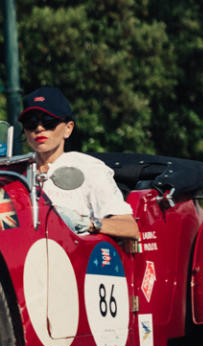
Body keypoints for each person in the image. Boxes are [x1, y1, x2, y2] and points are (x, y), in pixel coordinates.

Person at [19, 87, 140, 240]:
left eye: (49, 121)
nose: (39, 128)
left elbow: (130, 227)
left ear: (68, 129)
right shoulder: (14, 172)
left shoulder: (89, 168)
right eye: (31, 123)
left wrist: (85, 223)